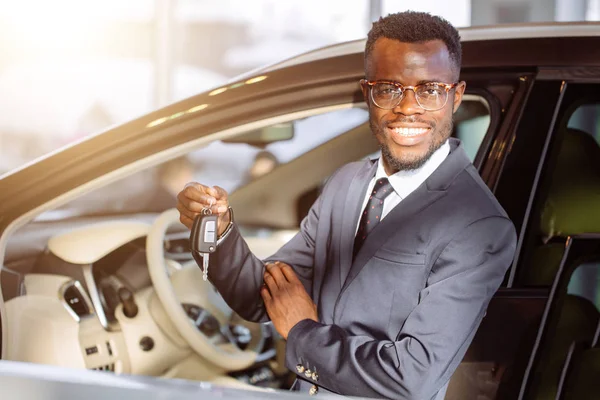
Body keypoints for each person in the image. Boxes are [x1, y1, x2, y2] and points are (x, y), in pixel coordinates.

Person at [177, 11, 516, 399]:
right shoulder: (346, 183)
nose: (408, 108)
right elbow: (267, 298)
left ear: (455, 97)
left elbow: (411, 379)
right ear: (368, 92)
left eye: (430, 90)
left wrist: (303, 333)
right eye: (390, 88)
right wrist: (220, 233)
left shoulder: (479, 225)